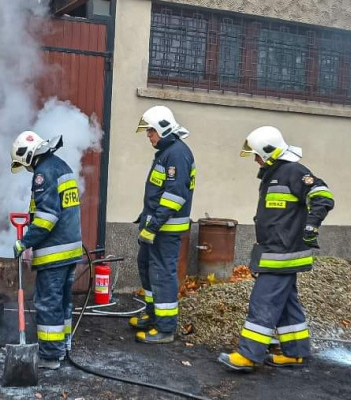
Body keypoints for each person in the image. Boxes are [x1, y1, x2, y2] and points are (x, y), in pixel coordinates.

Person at [218, 126, 334, 371]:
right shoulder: (274, 175)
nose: (255, 160)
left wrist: (312, 225)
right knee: (287, 305)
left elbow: (323, 196)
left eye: (257, 155)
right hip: (276, 251)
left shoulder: (293, 171)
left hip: (282, 253)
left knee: (263, 302)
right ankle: (295, 353)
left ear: (269, 153)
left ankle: (249, 355)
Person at [11, 131, 83, 370]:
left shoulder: (43, 173)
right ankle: (63, 347)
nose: (28, 169)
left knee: (48, 303)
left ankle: (50, 356)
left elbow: (46, 218)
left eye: (24, 164)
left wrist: (24, 242)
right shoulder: (61, 166)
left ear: (28, 155)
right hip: (69, 250)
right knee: (63, 302)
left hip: (54, 252)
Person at [129, 105, 196, 344]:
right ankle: (153, 315)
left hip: (165, 230)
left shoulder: (176, 154)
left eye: (151, 131)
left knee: (162, 274)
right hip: (157, 226)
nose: (149, 135)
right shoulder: (167, 152)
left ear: (164, 129)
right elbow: (159, 193)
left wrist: (153, 225)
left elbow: (174, 196)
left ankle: (165, 328)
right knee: (146, 266)